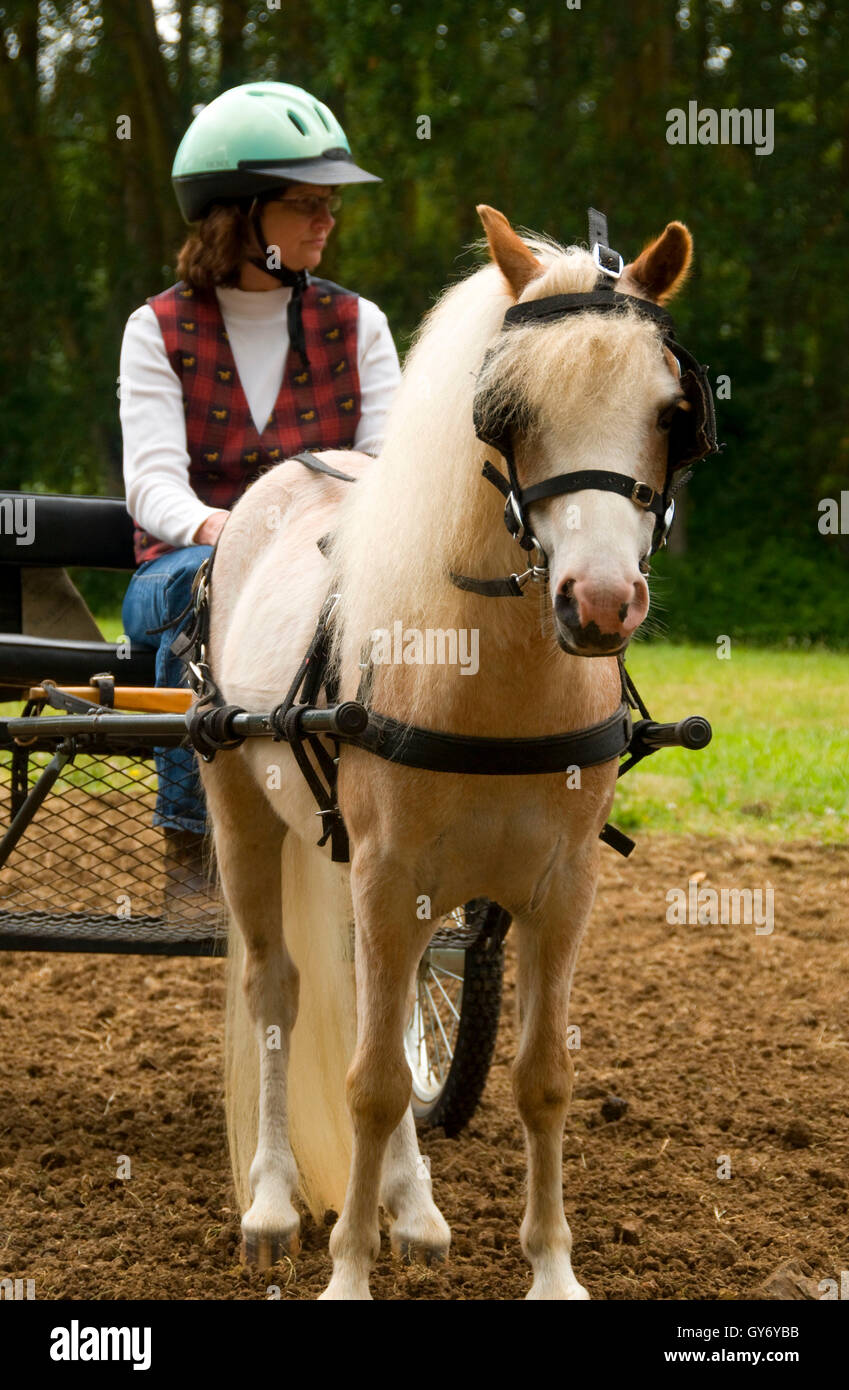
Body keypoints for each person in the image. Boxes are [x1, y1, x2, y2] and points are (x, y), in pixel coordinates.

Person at [120, 81, 400, 893]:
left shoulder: (360, 324)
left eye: (331, 205)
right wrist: (228, 535)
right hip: (179, 565)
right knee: (201, 594)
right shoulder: (158, 328)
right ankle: (191, 845)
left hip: (334, 557)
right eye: (305, 203)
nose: (327, 220)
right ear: (238, 212)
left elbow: (386, 466)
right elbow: (151, 485)